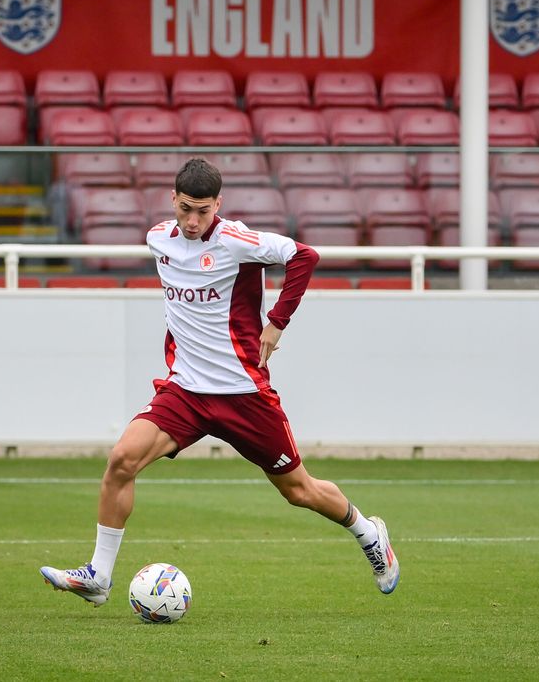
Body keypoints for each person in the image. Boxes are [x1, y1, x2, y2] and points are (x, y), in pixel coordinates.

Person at [40, 158, 399, 606]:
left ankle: (368, 533)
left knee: (298, 491)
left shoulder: (235, 240)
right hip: (186, 392)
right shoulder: (158, 239)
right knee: (121, 461)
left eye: (203, 211)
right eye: (186, 209)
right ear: (173, 199)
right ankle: (99, 576)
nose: (193, 221)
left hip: (243, 395)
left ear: (218, 205)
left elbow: (304, 256)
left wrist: (276, 322)